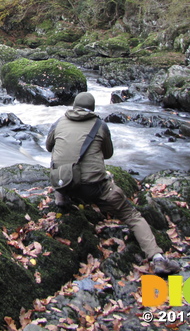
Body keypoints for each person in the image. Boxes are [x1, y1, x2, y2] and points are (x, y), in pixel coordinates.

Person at [45, 92, 181, 276]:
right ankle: (157, 258)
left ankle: (61, 196)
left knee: (63, 170)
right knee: (132, 215)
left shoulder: (59, 122)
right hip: (94, 188)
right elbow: (108, 154)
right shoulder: (99, 126)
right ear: (92, 109)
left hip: (63, 181)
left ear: (74, 106)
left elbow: (48, 146)